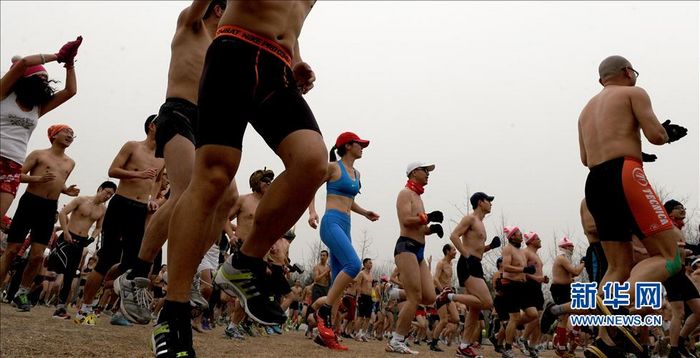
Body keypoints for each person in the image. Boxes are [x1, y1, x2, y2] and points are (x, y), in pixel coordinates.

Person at [161, 3, 327, 355]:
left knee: (313, 162)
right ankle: (173, 314)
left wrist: (296, 58)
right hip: (235, 50)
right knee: (213, 176)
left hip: (277, 68)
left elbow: (290, 17)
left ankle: (245, 262)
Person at [114, 1, 228, 328]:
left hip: (208, 124)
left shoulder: (221, 45)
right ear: (219, 8)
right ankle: (135, 273)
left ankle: (185, 269)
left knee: (226, 199)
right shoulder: (190, 25)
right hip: (178, 113)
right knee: (188, 192)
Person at [578, 55, 688, 356]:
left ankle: (604, 340)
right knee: (671, 255)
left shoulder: (585, 111)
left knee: (617, 266)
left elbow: (586, 159)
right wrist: (667, 134)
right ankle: (624, 305)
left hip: (595, 180)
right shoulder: (633, 93)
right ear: (627, 72)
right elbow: (655, 136)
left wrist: (628, 143)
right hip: (626, 174)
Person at [77, 116, 164, 325]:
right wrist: (140, 174)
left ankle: (120, 311)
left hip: (140, 209)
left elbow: (158, 180)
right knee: (107, 257)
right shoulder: (133, 146)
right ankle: (85, 308)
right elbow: (112, 171)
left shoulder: (163, 157)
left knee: (133, 262)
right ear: (152, 126)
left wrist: (152, 199)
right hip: (121, 204)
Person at [306, 131, 379, 349]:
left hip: (346, 226)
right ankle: (324, 309)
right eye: (359, 144)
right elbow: (311, 187)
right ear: (347, 146)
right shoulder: (333, 167)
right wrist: (312, 212)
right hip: (331, 223)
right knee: (354, 264)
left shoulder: (356, 173)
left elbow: (349, 200)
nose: (362, 147)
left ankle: (326, 333)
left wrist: (365, 212)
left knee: (339, 284)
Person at [0, 37, 82, 222]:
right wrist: (57, 56)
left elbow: (70, 91)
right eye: (40, 78)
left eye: (46, 79)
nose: (44, 82)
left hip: (13, 165)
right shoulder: (4, 94)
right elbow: (24, 62)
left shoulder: (38, 108)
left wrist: (69, 64)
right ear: (24, 79)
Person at [0, 124, 79, 311]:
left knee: (36, 257)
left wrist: (66, 190)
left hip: (49, 208)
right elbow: (17, 175)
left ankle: (21, 294)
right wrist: (37, 179)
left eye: (72, 133)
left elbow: (58, 182)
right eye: (66, 132)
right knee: (12, 250)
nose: (70, 135)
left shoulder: (70, 163)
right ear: (53, 135)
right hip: (30, 203)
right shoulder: (39, 154)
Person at [386, 162, 443, 354]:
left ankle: (397, 293)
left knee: (429, 296)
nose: (428, 174)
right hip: (405, 247)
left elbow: (420, 227)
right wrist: (427, 217)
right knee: (414, 297)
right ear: (413, 173)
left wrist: (432, 229)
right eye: (425, 171)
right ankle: (396, 340)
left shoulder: (418, 197)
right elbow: (406, 221)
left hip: (419, 250)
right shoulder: (405, 193)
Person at [444, 191, 500, 357]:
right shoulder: (470, 219)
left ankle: (464, 346)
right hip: (468, 264)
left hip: (476, 264)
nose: (491, 203)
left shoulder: (481, 223)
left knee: (474, 310)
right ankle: (448, 297)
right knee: (487, 302)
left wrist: (490, 247)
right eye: (489, 200)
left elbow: (478, 248)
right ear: (480, 202)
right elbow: (454, 236)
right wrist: (466, 255)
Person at [49, 181, 116, 319]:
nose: (108, 196)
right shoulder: (81, 200)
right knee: (58, 271)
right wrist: (66, 232)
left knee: (70, 274)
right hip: (68, 237)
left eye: (111, 194)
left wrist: (91, 239)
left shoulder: (103, 210)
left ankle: (60, 307)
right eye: (107, 192)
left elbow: (99, 227)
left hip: (81, 241)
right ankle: (35, 295)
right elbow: (63, 213)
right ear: (100, 189)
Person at [661, 200, 700, 358]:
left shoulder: (677, 228)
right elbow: (672, 247)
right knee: (679, 312)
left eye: (683, 207)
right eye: (678, 208)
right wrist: (688, 249)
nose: (682, 210)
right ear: (669, 212)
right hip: (672, 273)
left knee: (698, 311)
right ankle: (674, 350)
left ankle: (681, 341)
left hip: (681, 273)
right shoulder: (668, 227)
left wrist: (689, 251)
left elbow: (682, 248)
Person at [500, 226, 533, 358]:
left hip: (521, 286)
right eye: (519, 234)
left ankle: (508, 328)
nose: (521, 236)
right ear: (512, 236)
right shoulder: (508, 249)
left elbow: (523, 270)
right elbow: (506, 267)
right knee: (515, 317)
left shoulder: (521, 251)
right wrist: (524, 270)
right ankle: (507, 348)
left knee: (533, 314)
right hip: (510, 285)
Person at [550, 237, 584, 357]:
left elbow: (570, 275)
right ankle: (561, 347)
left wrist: (570, 279)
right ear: (565, 247)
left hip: (566, 289)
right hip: (560, 290)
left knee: (582, 311)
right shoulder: (561, 258)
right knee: (563, 317)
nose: (572, 248)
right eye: (571, 246)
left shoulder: (565, 258)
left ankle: (570, 336)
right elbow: (575, 271)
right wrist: (583, 263)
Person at [430, 244, 460, 352]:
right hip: (440, 293)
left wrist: (450, 291)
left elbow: (448, 280)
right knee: (443, 321)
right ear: (447, 251)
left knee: (456, 319)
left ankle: (438, 320)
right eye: (454, 250)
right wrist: (443, 291)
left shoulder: (451, 264)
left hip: (448, 294)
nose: (456, 252)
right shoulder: (440, 263)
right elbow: (435, 279)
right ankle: (433, 343)